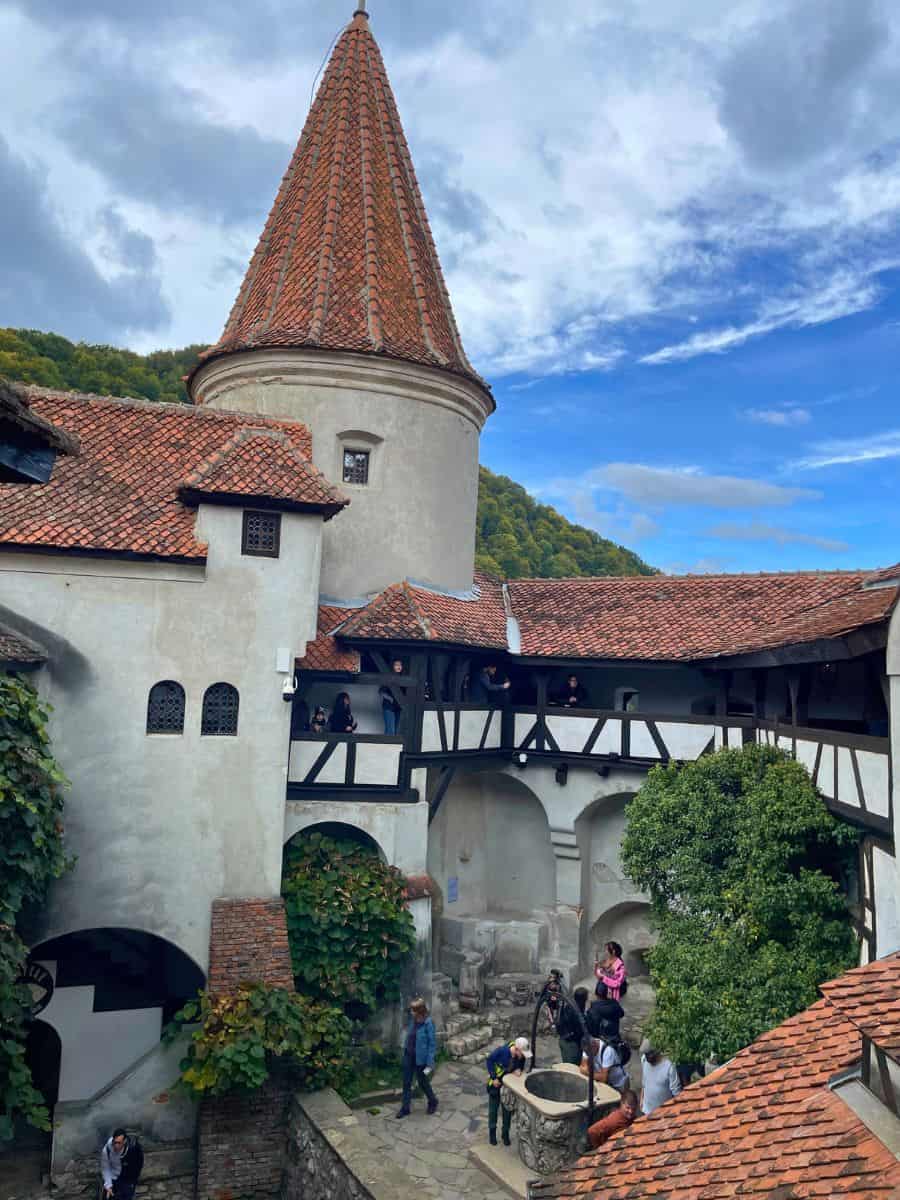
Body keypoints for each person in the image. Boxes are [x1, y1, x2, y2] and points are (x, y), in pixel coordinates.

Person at [396, 998, 438, 1118]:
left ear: (419, 1011)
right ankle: (405, 1108)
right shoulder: (413, 1021)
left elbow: (432, 1044)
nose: (411, 1012)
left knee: (423, 1082)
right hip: (409, 1056)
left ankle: (433, 1101)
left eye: (413, 1010)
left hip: (421, 1060)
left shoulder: (428, 1024)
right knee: (406, 1082)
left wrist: (430, 1063)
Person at [486, 1036, 530, 1146]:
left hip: (508, 1088)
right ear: (516, 1049)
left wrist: (518, 1070)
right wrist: (494, 1077)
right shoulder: (502, 1051)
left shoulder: (521, 1057)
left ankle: (505, 1134)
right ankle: (492, 1134)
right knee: (493, 1111)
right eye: (523, 1053)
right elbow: (489, 1060)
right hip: (495, 1086)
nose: (524, 1056)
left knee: (507, 1111)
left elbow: (520, 1068)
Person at [639, 1038, 682, 1115]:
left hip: (663, 1113)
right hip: (646, 1111)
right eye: (645, 1054)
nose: (646, 1057)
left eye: (648, 1054)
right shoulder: (644, 1060)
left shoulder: (669, 1066)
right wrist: (641, 1100)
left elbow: (676, 1092)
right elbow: (644, 1082)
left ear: (655, 1052)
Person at [100, 1128, 144, 1200]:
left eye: (119, 1143)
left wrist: (133, 1181)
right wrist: (108, 1185)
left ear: (125, 1141)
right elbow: (105, 1168)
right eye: (115, 1142)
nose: (116, 1145)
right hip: (113, 1177)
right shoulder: (107, 1150)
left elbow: (139, 1163)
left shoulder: (133, 1149)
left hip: (127, 1180)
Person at [557, 986, 589, 1065]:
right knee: (572, 1067)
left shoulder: (571, 1005)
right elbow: (579, 1029)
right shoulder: (576, 1012)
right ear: (583, 999)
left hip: (566, 1040)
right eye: (586, 997)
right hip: (570, 1044)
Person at [379, 659, 404, 735]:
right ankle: (385, 746)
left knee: (396, 731)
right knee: (390, 731)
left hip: (399, 707)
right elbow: (381, 692)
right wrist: (391, 699)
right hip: (389, 706)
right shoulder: (388, 677)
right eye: (396, 665)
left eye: (400, 665)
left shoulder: (403, 678)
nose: (398, 667)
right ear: (392, 667)